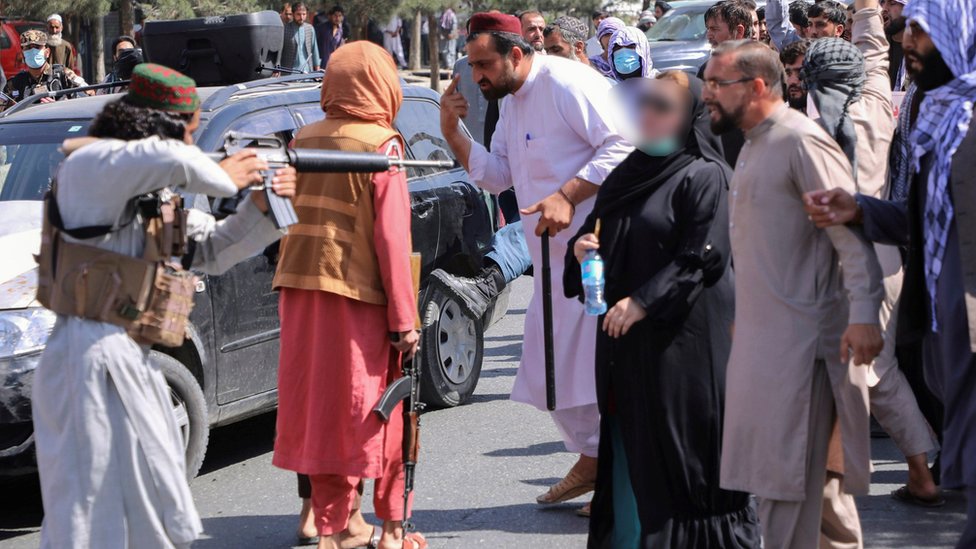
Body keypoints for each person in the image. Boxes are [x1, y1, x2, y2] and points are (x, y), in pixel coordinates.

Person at [32, 62, 297, 549]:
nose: (194, 147)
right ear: (163, 127)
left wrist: (259, 209)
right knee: (86, 511)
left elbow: (213, 249)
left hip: (132, 358)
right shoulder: (90, 167)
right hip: (84, 359)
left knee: (148, 506)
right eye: (190, 133)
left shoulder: (156, 194)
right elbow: (168, 158)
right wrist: (223, 171)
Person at [440, 11, 632, 516]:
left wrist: (568, 194)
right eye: (472, 65)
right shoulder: (511, 103)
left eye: (484, 64)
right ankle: (596, 459)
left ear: (517, 54)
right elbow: (500, 175)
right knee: (550, 369)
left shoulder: (569, 83)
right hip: (549, 266)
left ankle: (617, 472)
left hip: (597, 256)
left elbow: (627, 145)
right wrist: (453, 131)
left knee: (595, 368)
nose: (477, 77)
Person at [803, 0, 976, 545]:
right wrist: (859, 209)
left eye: (920, 32)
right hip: (942, 325)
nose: (908, 42)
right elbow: (919, 218)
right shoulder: (933, 113)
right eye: (907, 30)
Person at [566, 70, 762, 549]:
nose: (648, 115)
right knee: (633, 461)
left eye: (663, 107)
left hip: (685, 351)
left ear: (689, 117)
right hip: (626, 351)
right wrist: (582, 251)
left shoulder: (706, 175)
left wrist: (644, 301)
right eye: (645, 105)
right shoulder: (626, 174)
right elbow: (594, 234)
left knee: (683, 470)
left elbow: (701, 258)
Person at [702, 40, 884, 549]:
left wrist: (865, 315)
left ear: (757, 86)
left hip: (802, 352)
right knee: (819, 498)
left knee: (782, 491)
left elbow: (850, 240)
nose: (707, 94)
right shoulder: (756, 142)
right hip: (764, 348)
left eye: (718, 84)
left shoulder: (801, 142)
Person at [272, 41, 427, 549]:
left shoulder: (303, 136)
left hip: (300, 290)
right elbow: (391, 238)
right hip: (358, 295)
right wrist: (405, 318)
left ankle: (336, 523)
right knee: (373, 410)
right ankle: (372, 531)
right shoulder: (382, 145)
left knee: (321, 411)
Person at [3, 30, 90, 105]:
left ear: (47, 52)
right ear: (23, 54)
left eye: (37, 47)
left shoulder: (64, 75)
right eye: (28, 47)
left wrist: (59, 106)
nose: (33, 51)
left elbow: (89, 97)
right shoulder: (15, 83)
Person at [281, 3, 321, 72]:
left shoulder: (310, 29)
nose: (301, 17)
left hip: (307, 72)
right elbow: (280, 52)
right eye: (298, 14)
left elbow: (315, 51)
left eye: (304, 14)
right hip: (289, 73)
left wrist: (317, 70)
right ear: (293, 14)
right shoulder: (285, 29)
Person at [780, 39, 810, 110]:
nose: (792, 81)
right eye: (788, 73)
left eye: (800, 73)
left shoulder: (837, 117)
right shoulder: (780, 117)